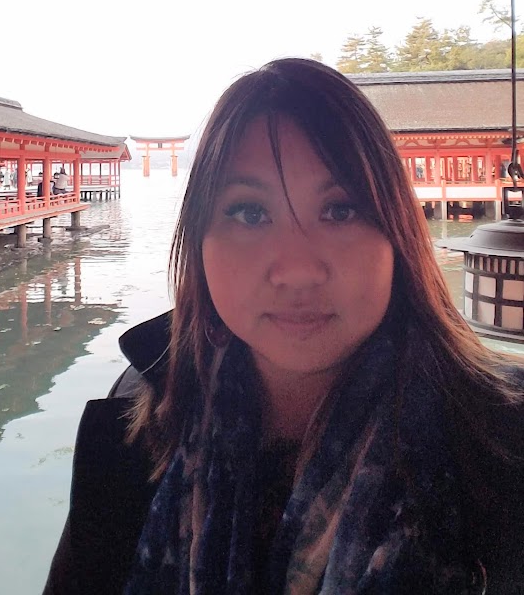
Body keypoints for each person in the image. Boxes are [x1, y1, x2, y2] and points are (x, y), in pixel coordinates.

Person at [43, 58, 524, 595]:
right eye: (249, 212)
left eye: (340, 210)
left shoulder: (502, 448)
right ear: (198, 241)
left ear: (397, 235)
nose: (296, 269)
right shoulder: (135, 425)